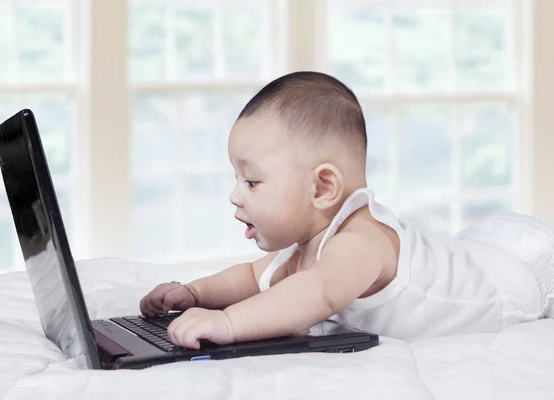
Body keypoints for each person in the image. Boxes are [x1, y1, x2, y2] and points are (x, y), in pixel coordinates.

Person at [140, 71, 554, 350]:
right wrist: (195, 293)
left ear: (322, 187)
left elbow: (312, 294)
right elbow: (251, 277)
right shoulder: (308, 243)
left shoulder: (358, 243)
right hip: (468, 254)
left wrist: (228, 324)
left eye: (251, 182)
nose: (234, 195)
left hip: (515, 276)